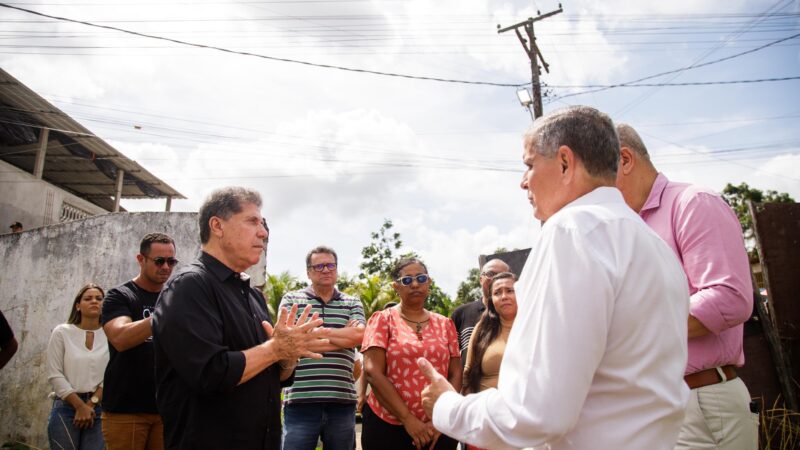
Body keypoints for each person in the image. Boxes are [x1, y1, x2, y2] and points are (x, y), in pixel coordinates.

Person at [418, 106, 690, 450]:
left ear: (564, 162)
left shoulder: (571, 231)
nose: (523, 181)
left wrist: (446, 406)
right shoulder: (653, 245)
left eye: (529, 165)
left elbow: (534, 413)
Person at [152, 186, 330, 450]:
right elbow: (209, 373)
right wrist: (275, 349)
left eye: (264, 223)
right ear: (217, 225)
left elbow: (272, 376)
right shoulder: (189, 286)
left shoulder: (252, 295)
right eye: (252, 221)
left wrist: (287, 359)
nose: (264, 232)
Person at [614, 123, 756, 449]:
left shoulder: (692, 203)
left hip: (703, 400)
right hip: (653, 406)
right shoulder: (627, 228)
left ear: (624, 160)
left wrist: (632, 327)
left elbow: (729, 297)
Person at [361, 257, 461, 450]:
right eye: (407, 280)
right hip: (388, 425)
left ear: (429, 282)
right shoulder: (383, 320)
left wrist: (443, 416)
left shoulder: (445, 324)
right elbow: (373, 372)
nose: (415, 284)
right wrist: (408, 419)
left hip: (438, 428)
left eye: (421, 278)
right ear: (396, 286)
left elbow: (455, 373)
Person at [279, 245, 366, 450]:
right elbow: (291, 340)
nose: (325, 270)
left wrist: (314, 333)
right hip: (300, 401)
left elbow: (359, 335)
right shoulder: (292, 299)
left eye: (330, 265)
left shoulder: (351, 302)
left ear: (336, 269)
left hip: (342, 402)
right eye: (318, 266)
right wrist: (341, 334)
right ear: (309, 272)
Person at [101, 233, 177, 450]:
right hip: (127, 408)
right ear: (141, 259)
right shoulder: (120, 296)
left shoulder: (175, 298)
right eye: (159, 261)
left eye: (171, 261)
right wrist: (163, 315)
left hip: (165, 409)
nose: (166, 267)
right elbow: (120, 338)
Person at [46, 283, 110, 450]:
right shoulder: (62, 332)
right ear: (78, 305)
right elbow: (55, 374)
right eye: (88, 298)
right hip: (66, 406)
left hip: (99, 407)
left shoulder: (111, 334)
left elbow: (112, 374)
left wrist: (91, 404)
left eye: (99, 298)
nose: (94, 301)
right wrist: (79, 406)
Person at [462, 272, 518, 396]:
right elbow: (468, 373)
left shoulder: (536, 325)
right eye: (497, 293)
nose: (504, 296)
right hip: (487, 410)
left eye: (510, 290)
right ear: (491, 300)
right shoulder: (483, 328)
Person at [451, 258, 510, 366]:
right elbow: (451, 359)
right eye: (490, 273)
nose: (495, 279)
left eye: (502, 275)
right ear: (481, 279)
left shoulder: (518, 313)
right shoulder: (461, 314)